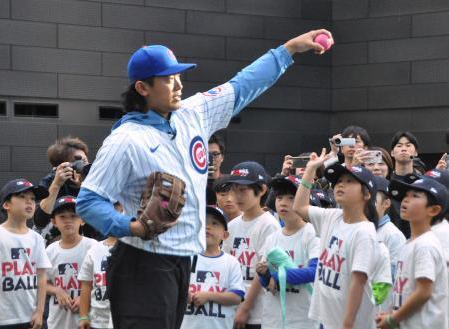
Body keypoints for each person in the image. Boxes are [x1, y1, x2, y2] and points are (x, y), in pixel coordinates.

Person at [76, 29, 333, 329]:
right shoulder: (125, 139)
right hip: (142, 262)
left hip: (182, 260)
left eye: (179, 75)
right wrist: (131, 226)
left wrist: (288, 50)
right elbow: (90, 200)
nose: (179, 84)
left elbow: (242, 86)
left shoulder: (192, 112)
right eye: (169, 78)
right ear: (143, 87)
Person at [293, 150, 380, 329]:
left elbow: (358, 281)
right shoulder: (332, 216)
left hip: (350, 324)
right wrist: (310, 170)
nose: (341, 185)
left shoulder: (364, 232)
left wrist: (347, 325)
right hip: (326, 320)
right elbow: (300, 206)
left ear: (366, 194)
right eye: (339, 181)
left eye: (350, 182)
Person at [376, 177, 449, 329]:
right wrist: (390, 313)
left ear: (433, 210)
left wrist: (392, 319)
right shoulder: (411, 242)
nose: (406, 200)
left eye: (415, 196)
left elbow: (424, 292)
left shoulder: (426, 245)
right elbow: (402, 288)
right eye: (406, 195)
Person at [222, 161, 281, 329]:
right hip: (232, 306)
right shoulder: (232, 225)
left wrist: (246, 308)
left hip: (257, 313)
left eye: (243, 190)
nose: (236, 196)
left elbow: (262, 271)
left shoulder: (269, 224)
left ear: (262, 190)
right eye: (234, 189)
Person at [256, 175, 320, 329]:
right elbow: (267, 285)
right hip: (274, 321)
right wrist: (263, 274)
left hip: (304, 321)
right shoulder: (272, 238)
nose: (283, 203)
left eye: (291, 198)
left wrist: (277, 276)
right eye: (279, 197)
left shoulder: (312, 233)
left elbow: (315, 271)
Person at [0, 179, 51, 329]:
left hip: (30, 317)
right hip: (3, 319)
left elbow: (41, 277)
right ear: (6, 204)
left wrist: (40, 312)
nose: (29, 202)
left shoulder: (36, 238)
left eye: (33, 199)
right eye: (22, 197)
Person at [181, 206, 245, 329]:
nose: (207, 227)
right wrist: (184, 293)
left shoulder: (231, 262)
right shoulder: (186, 258)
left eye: (214, 223)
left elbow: (237, 297)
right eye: (203, 222)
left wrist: (208, 296)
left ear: (225, 235)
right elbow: (174, 288)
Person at [45, 197, 97, 329]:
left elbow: (104, 281)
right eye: (62, 216)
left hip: (88, 321)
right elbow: (40, 283)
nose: (68, 220)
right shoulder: (50, 250)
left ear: (83, 220)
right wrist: (56, 290)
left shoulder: (93, 247)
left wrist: (86, 298)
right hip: (58, 322)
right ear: (54, 221)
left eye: (73, 216)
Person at [78, 234, 117, 329]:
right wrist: (83, 316)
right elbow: (86, 285)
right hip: (98, 321)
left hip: (126, 319)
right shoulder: (94, 251)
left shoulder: (135, 249)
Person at [389, 131, 421, 238]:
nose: (404, 149)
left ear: (416, 152)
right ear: (392, 153)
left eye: (408, 145)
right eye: (399, 146)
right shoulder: (386, 181)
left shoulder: (422, 183)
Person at [373, 176, 406, 279]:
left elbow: (395, 276)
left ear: (386, 203)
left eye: (372, 199)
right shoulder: (359, 227)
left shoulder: (393, 235)